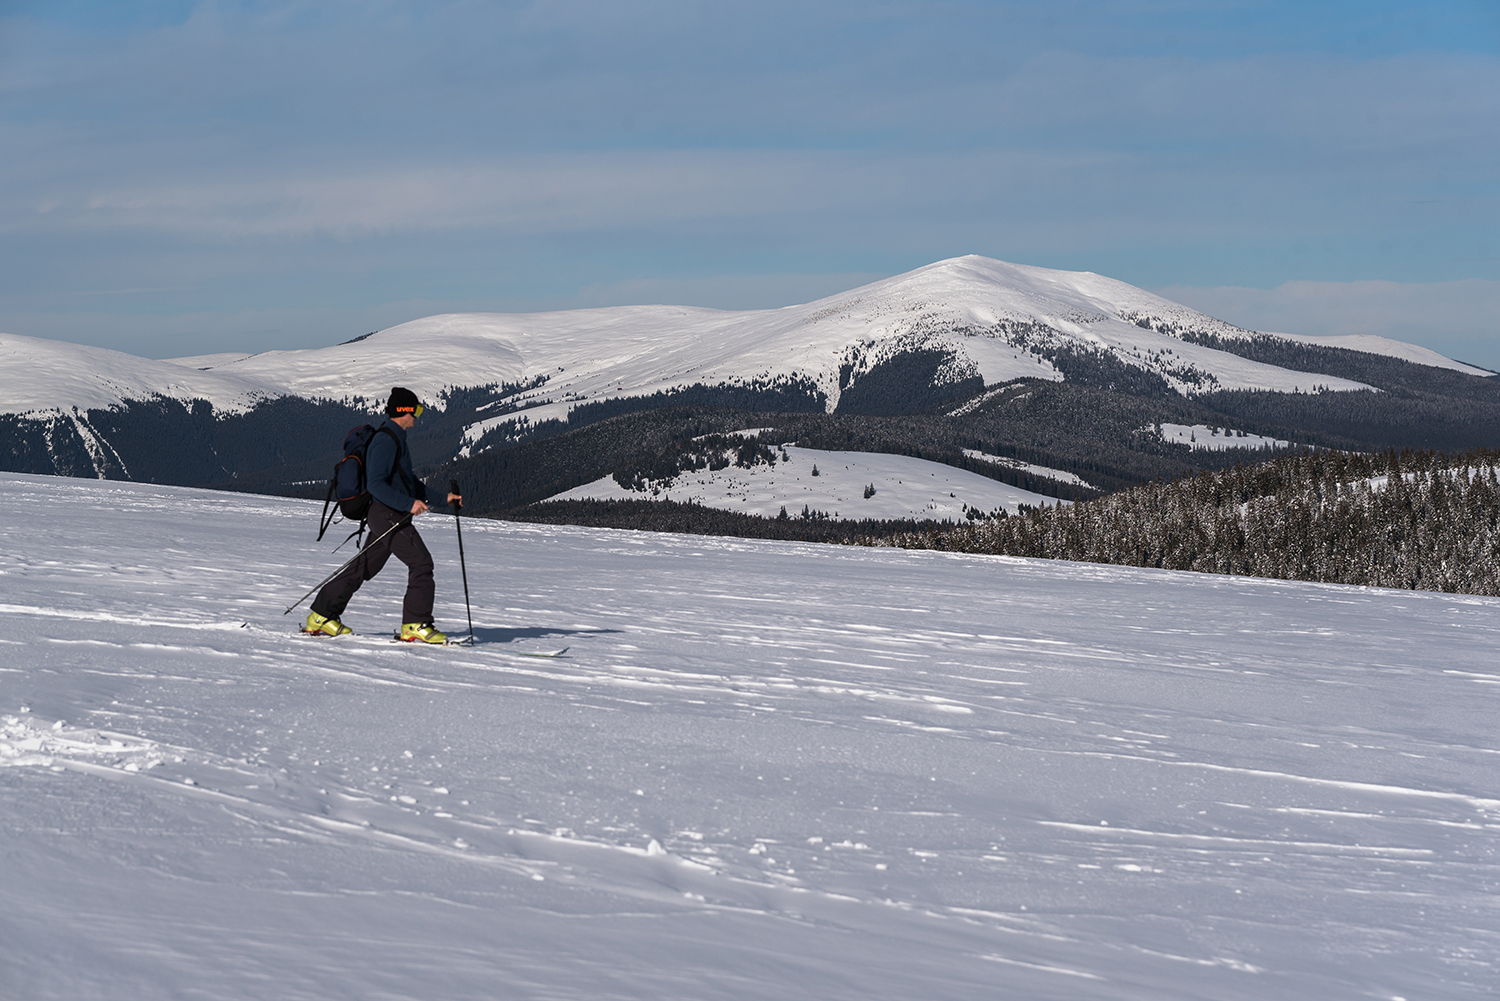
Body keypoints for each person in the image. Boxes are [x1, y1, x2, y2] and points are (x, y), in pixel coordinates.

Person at [304, 387, 461, 643]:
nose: (418, 415)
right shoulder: (385, 440)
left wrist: (444, 499)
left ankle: (321, 615)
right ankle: (415, 623)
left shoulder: (396, 438)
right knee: (421, 563)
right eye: (416, 410)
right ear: (404, 411)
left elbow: (409, 482)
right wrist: (409, 504)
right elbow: (376, 485)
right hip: (388, 515)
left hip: (388, 514)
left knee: (362, 568)